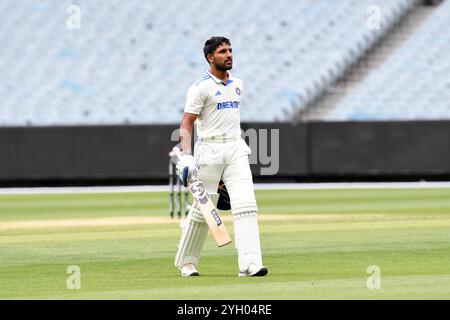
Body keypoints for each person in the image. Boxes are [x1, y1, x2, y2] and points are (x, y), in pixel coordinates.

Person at [173, 36, 267, 277]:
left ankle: (250, 263)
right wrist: (186, 156)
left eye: (230, 50)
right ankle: (187, 263)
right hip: (209, 150)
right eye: (223, 51)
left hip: (236, 147)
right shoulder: (200, 87)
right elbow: (187, 122)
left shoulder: (238, 84)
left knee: (246, 205)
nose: (229, 54)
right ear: (210, 57)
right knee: (203, 208)